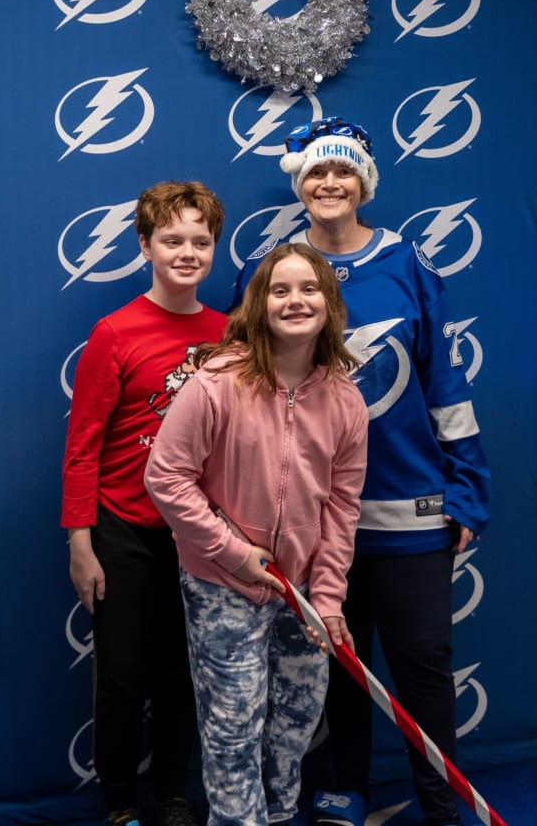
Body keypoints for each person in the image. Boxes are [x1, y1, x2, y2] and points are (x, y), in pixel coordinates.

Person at [230, 118, 491, 826]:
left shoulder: (410, 264)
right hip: (310, 520)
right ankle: (344, 788)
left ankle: (440, 803)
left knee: (424, 666)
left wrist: (468, 487)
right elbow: (242, 387)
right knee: (337, 665)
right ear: (299, 183)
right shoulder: (271, 271)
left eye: (343, 170)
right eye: (316, 171)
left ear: (365, 182)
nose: (329, 183)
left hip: (410, 511)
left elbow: (445, 382)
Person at [144, 243, 368, 826]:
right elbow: (166, 476)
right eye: (280, 290)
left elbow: (342, 507)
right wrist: (232, 553)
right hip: (224, 585)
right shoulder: (217, 382)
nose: (296, 301)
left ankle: (279, 815)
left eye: (309, 289)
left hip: (302, 590)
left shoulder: (346, 399)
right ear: (258, 304)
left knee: (294, 725)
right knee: (233, 727)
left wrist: (328, 598)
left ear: (330, 303)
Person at [63, 180, 229, 826]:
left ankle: (175, 794)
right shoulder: (115, 332)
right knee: (123, 675)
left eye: (200, 241)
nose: (187, 253)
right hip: (124, 530)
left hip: (196, 533)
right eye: (171, 240)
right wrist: (81, 544)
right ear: (144, 245)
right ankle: (120, 804)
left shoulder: (227, 334)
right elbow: (83, 446)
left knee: (183, 673)